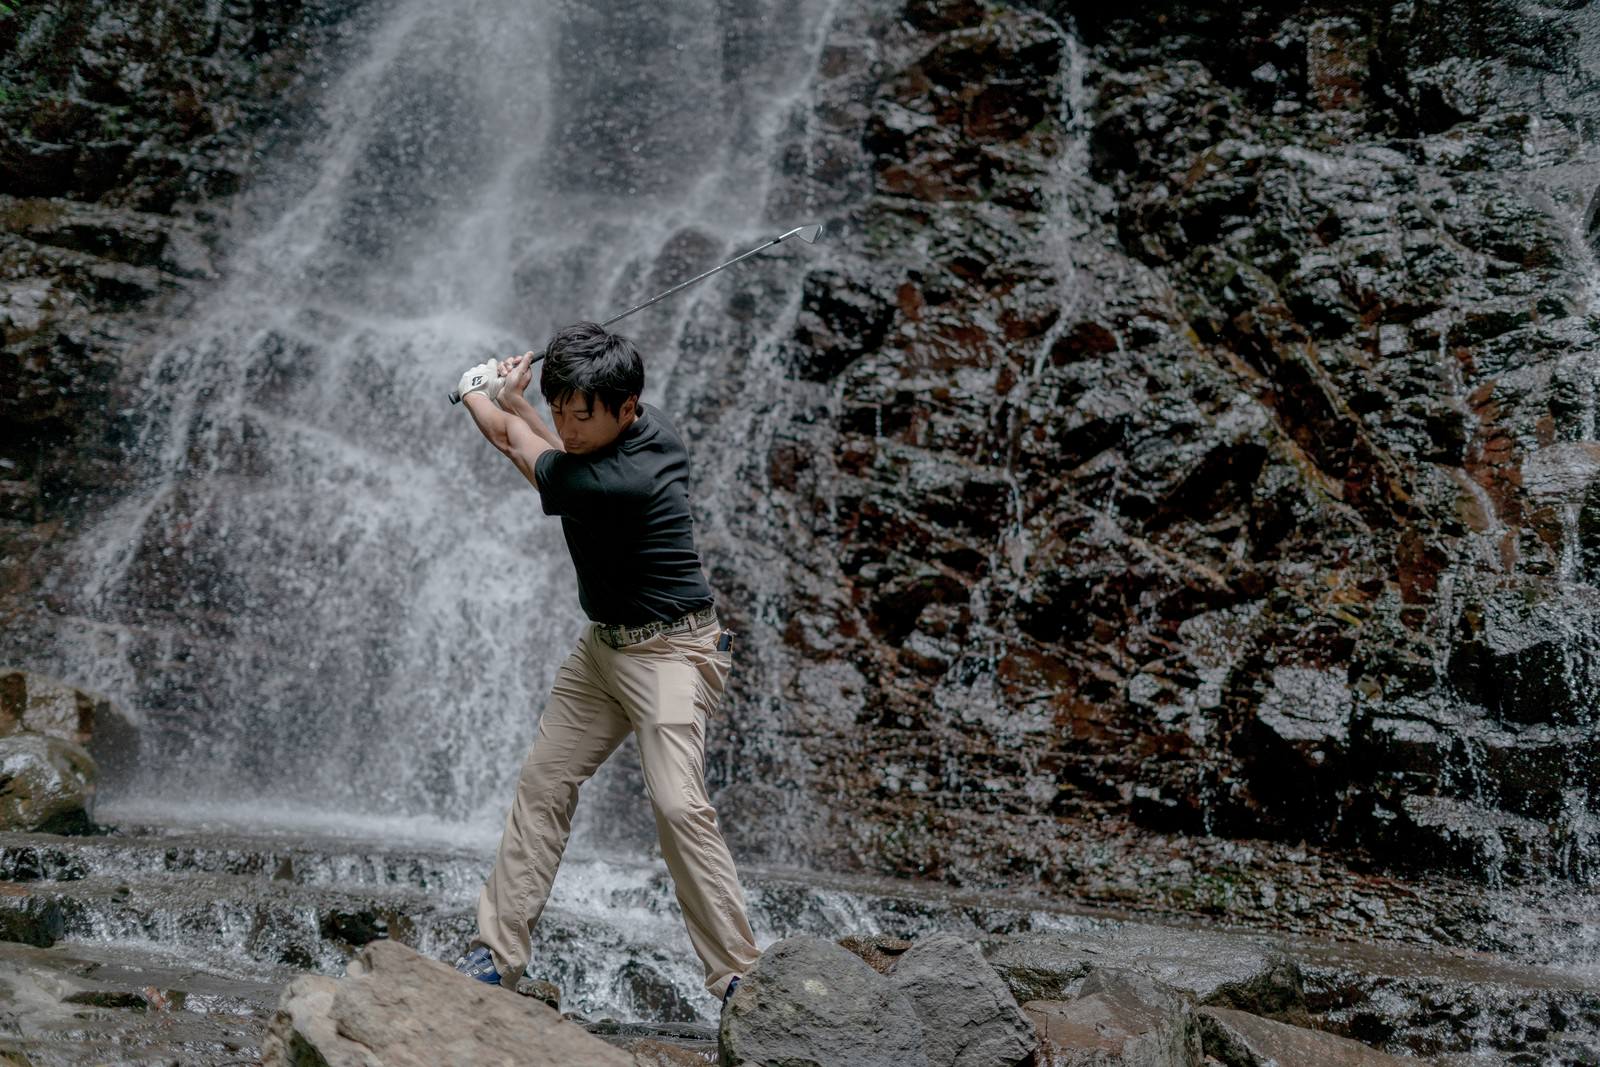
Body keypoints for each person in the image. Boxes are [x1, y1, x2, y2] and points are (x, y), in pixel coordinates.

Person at [450, 322, 759, 1006]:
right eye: (559, 406)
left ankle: (739, 972)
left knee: (679, 806)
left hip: (674, 654)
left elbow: (512, 441)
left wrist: (477, 390)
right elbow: (550, 438)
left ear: (628, 406)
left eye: (580, 413)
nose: (567, 423)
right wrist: (526, 401)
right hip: (603, 652)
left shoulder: (631, 474)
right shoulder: (612, 433)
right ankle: (495, 955)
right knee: (543, 782)